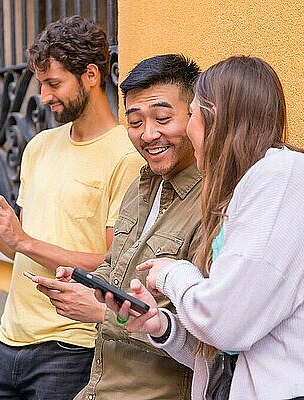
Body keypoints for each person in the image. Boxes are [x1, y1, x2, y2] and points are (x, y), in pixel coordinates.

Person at [102, 56, 304, 400]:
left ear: (216, 118)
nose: (187, 129)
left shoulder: (284, 175)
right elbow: (226, 350)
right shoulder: (246, 189)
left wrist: (174, 274)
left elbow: (224, 323)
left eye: (192, 115)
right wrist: (161, 325)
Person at [0, 16, 144, 399]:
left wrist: (22, 240)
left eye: (54, 83)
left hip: (72, 345)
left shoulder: (126, 155)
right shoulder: (38, 146)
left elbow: (113, 264)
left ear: (91, 75)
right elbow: (23, 247)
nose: (43, 96)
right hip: (9, 335)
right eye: (41, 83)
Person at [30, 54, 202, 400]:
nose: (148, 134)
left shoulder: (212, 203)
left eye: (163, 118)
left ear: (195, 116)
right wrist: (84, 283)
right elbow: (115, 263)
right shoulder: (140, 186)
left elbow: (204, 328)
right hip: (98, 388)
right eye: (135, 122)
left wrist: (99, 312)